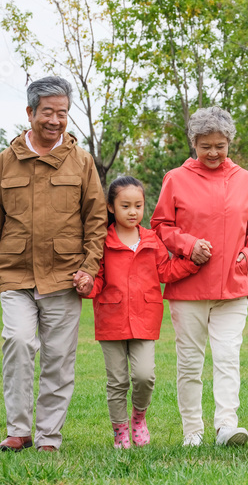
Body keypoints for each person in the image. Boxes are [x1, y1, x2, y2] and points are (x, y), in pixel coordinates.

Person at [0, 75, 107, 452]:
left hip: (65, 275)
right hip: (16, 272)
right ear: (30, 112)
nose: (55, 120)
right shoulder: (4, 163)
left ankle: (49, 436)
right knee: (17, 342)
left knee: (58, 359)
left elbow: (96, 219)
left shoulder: (81, 162)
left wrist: (89, 267)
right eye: (47, 112)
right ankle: (18, 429)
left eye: (62, 113)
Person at [151, 106, 248, 448]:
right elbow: (160, 225)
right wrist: (187, 245)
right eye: (206, 146)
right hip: (188, 287)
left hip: (232, 286)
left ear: (229, 142)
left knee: (228, 357)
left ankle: (225, 427)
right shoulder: (176, 178)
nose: (214, 152)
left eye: (220, 144)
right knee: (190, 363)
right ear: (194, 143)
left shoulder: (244, 179)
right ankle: (192, 430)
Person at [83, 176, 199, 449]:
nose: (133, 211)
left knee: (145, 376)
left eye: (138, 205)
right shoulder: (102, 242)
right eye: (125, 206)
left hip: (145, 318)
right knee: (118, 380)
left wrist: (191, 262)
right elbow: (97, 280)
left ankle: (138, 417)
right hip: (111, 319)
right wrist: (86, 285)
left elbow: (166, 272)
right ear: (111, 207)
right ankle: (120, 429)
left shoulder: (152, 240)